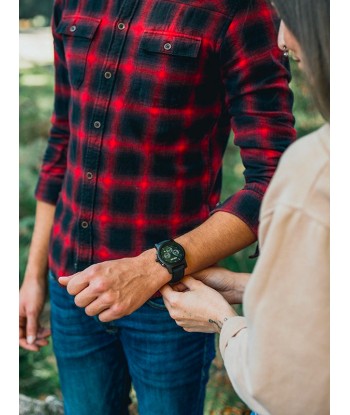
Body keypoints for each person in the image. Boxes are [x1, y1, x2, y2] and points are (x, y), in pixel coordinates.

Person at [19, 0, 296, 413]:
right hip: (71, 288)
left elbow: (275, 181)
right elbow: (64, 137)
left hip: (171, 299)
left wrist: (151, 267)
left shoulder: (241, 10)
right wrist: (33, 273)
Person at [161, 0, 330, 414]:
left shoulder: (316, 172)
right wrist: (246, 288)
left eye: (286, 20)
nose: (279, 40)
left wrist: (223, 320)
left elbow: (282, 389)